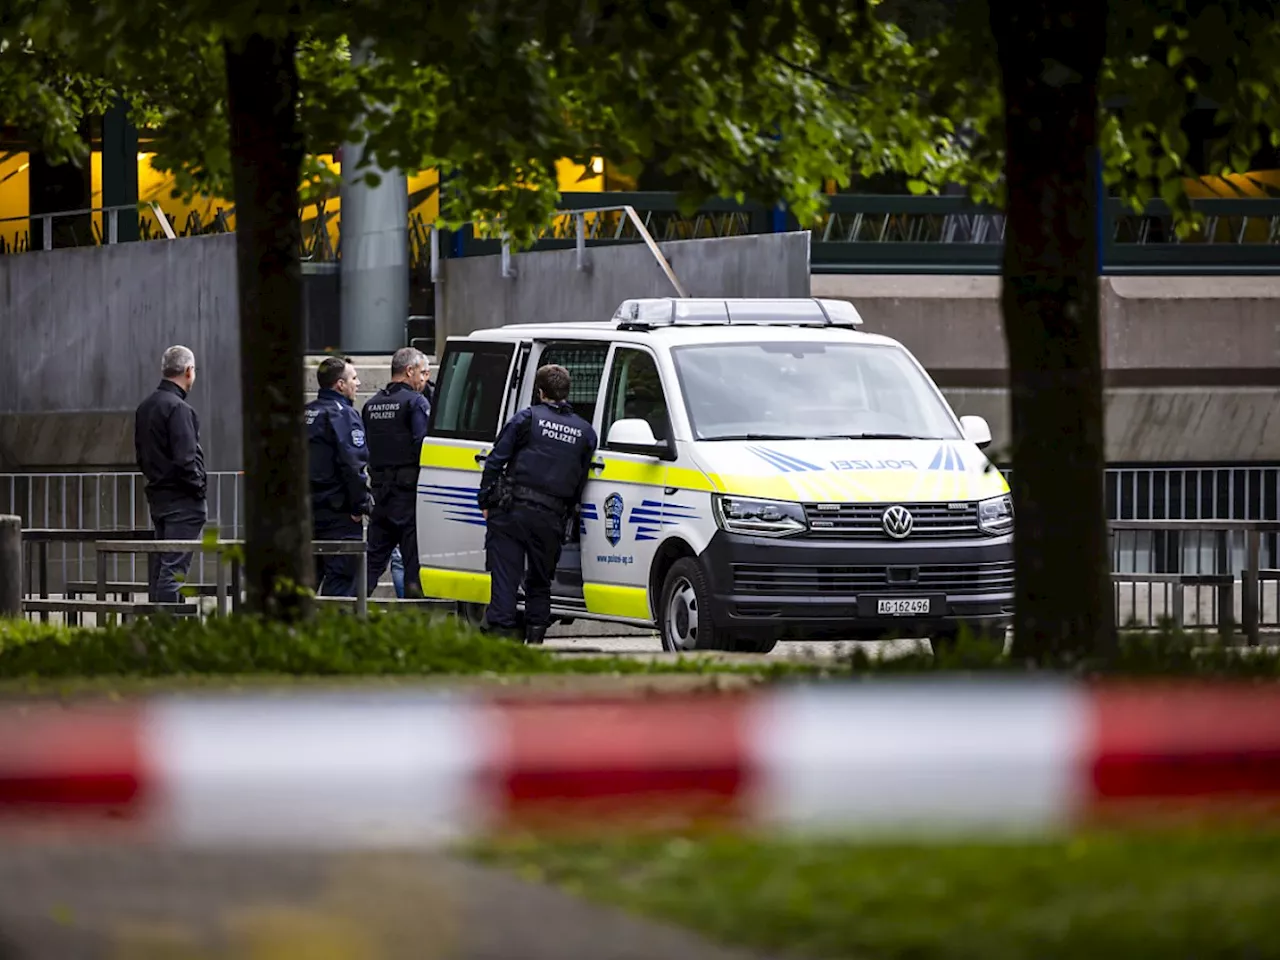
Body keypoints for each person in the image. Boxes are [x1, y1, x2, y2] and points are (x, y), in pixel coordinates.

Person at [477, 364, 597, 645]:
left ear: (540, 392)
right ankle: (535, 639)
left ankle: (503, 637)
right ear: (568, 392)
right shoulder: (586, 432)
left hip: (511, 512)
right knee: (541, 582)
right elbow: (581, 480)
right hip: (551, 517)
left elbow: (495, 461)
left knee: (506, 577)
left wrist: (485, 499)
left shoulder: (526, 419)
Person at [134, 345, 207, 603]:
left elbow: (142, 458)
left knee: (161, 569)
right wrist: (199, 487)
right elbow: (186, 460)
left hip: (158, 498)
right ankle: (167, 632)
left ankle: (156, 629)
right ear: (189, 371)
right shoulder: (179, 409)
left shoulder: (145, 407)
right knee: (173, 572)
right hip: (183, 501)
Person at [361, 347, 431, 599]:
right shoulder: (415, 402)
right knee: (414, 566)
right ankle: (414, 623)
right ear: (409, 371)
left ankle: (347, 613)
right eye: (422, 372)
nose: (425, 379)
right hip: (409, 496)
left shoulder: (371, 405)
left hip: (381, 496)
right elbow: (423, 446)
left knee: (371, 564)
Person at [306, 356, 372, 596]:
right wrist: (359, 505)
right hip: (339, 516)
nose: (359, 383)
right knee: (340, 589)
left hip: (307, 515)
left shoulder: (306, 413)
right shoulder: (343, 415)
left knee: (305, 587)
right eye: (354, 378)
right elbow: (353, 466)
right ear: (340, 385)